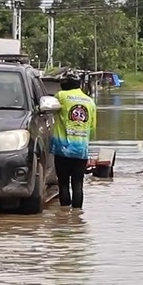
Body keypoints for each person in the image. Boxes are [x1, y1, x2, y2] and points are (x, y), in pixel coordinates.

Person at [52, 71, 97, 209]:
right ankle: (77, 218)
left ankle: (64, 218)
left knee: (63, 183)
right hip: (81, 151)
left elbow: (47, 109)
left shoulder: (61, 96)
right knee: (78, 184)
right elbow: (93, 130)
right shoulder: (90, 102)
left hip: (62, 149)